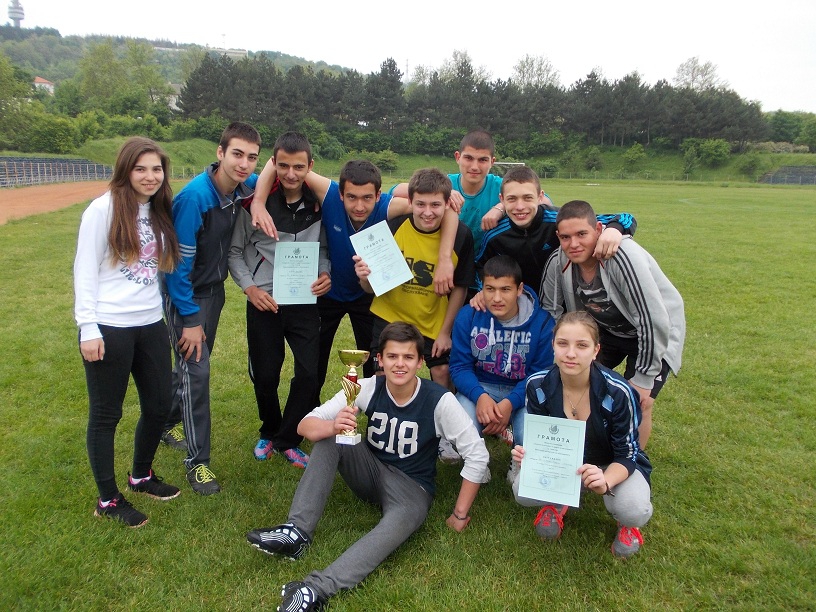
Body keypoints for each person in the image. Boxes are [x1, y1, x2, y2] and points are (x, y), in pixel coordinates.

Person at [246, 322, 489, 611]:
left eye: (408, 357)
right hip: (369, 470)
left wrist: (460, 514)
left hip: (411, 489)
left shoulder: (439, 399)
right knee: (331, 437)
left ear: (420, 362)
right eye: (393, 356)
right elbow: (305, 425)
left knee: (393, 529)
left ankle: (316, 589)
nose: (400, 364)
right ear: (380, 360)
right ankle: (296, 531)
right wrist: (332, 426)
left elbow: (477, 454)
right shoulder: (367, 387)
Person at [248, 160, 459, 404]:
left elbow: (447, 211)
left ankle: (377, 412)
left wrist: (445, 258)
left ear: (378, 195)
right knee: (313, 364)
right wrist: (258, 202)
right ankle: (309, 413)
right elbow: (277, 160)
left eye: (367, 198)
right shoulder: (328, 194)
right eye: (351, 197)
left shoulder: (389, 207)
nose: (359, 206)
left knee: (374, 362)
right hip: (326, 292)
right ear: (341, 194)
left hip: (367, 296)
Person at [74, 136, 182, 527]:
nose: (150, 176)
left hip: (151, 322)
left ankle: (141, 475)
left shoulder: (157, 209)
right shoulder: (102, 209)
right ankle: (107, 499)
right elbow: (85, 269)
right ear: (125, 170)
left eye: (156, 169)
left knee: (158, 404)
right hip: (109, 326)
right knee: (106, 414)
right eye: (141, 169)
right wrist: (88, 326)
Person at [161, 122, 261, 494]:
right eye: (237, 154)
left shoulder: (243, 187)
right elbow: (175, 268)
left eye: (252, 157)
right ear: (220, 153)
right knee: (197, 373)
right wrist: (189, 319)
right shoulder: (195, 198)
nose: (244, 164)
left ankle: (165, 422)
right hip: (185, 294)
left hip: (213, 292)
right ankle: (197, 463)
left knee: (189, 369)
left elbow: (276, 176)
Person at [540, 200, 685, 447]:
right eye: (565, 237)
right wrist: (559, 353)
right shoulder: (558, 261)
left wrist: (643, 378)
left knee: (640, 401)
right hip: (606, 333)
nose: (573, 244)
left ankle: (631, 462)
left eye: (582, 234)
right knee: (578, 384)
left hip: (653, 334)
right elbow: (550, 311)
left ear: (598, 229)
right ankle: (582, 452)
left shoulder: (622, 257)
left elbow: (653, 320)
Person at [511, 311, 653, 558]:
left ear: (596, 350)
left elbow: (628, 453)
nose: (571, 353)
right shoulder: (537, 384)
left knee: (633, 508)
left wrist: (605, 481)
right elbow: (541, 438)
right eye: (563, 343)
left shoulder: (618, 392)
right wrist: (529, 456)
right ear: (553, 345)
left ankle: (626, 524)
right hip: (563, 463)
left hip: (612, 462)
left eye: (582, 345)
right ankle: (557, 501)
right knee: (520, 490)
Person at [228, 132, 331, 468]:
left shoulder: (320, 204)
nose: (290, 173)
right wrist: (250, 289)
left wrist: (325, 272)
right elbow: (234, 252)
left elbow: (324, 249)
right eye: (283, 165)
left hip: (304, 303)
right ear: (274, 164)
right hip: (265, 302)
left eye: (298, 167)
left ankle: (288, 438)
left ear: (310, 166)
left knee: (309, 374)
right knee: (266, 374)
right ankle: (269, 430)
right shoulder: (254, 205)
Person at [354, 168, 474, 392]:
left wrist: (445, 333)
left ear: (447, 204)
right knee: (382, 374)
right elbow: (370, 288)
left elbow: (460, 288)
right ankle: (383, 413)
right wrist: (364, 277)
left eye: (435, 205)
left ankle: (439, 415)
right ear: (410, 202)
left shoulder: (461, 236)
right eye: (420, 204)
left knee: (442, 372)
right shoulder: (394, 227)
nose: (427, 212)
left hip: (432, 320)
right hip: (390, 315)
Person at [449, 255, 555, 469]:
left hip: (524, 390)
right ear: (482, 288)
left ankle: (519, 465)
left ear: (519, 289)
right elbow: (459, 366)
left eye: (505, 289)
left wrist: (510, 403)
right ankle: (476, 462)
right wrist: (480, 396)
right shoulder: (468, 316)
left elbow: (540, 375)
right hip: (482, 386)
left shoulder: (543, 323)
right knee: (459, 421)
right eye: (490, 289)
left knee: (532, 432)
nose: (497, 298)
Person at [475, 166, 636, 290]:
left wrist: (614, 229)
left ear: (540, 197)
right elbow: (479, 266)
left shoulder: (559, 219)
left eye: (527, 198)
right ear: (502, 199)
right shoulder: (495, 235)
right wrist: (484, 290)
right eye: (512, 199)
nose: (520, 206)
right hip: (522, 308)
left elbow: (625, 218)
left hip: (567, 302)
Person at [391, 130, 553, 251]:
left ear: (492, 162)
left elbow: (544, 201)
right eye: (468, 158)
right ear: (458, 157)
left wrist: (501, 207)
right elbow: (394, 190)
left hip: (486, 262)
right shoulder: (444, 183)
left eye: (482, 160)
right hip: (449, 260)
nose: (474, 167)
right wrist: (445, 192)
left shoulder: (502, 186)